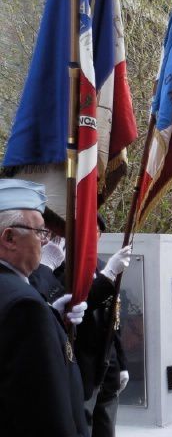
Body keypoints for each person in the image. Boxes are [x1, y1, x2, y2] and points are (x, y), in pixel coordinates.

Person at [0, 178, 88, 436]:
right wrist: (42, 317)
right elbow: (47, 413)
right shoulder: (25, 308)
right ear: (10, 238)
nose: (46, 241)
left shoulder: (22, 300)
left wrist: (51, 317)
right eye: (40, 232)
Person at [31, 215, 132, 437]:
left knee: (106, 422)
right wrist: (107, 277)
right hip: (81, 360)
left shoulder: (103, 265)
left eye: (95, 232)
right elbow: (75, 304)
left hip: (107, 360)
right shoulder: (61, 267)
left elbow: (113, 319)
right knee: (82, 423)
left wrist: (122, 362)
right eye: (85, 231)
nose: (90, 237)